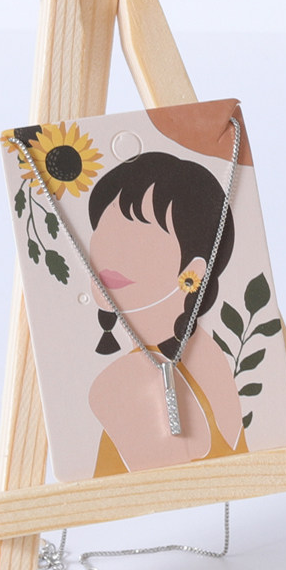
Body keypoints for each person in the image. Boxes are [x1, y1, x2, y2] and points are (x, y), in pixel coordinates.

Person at [84, 151, 245, 476]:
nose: (109, 251)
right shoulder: (210, 352)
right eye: (104, 230)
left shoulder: (120, 383)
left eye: (134, 236)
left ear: (193, 271)